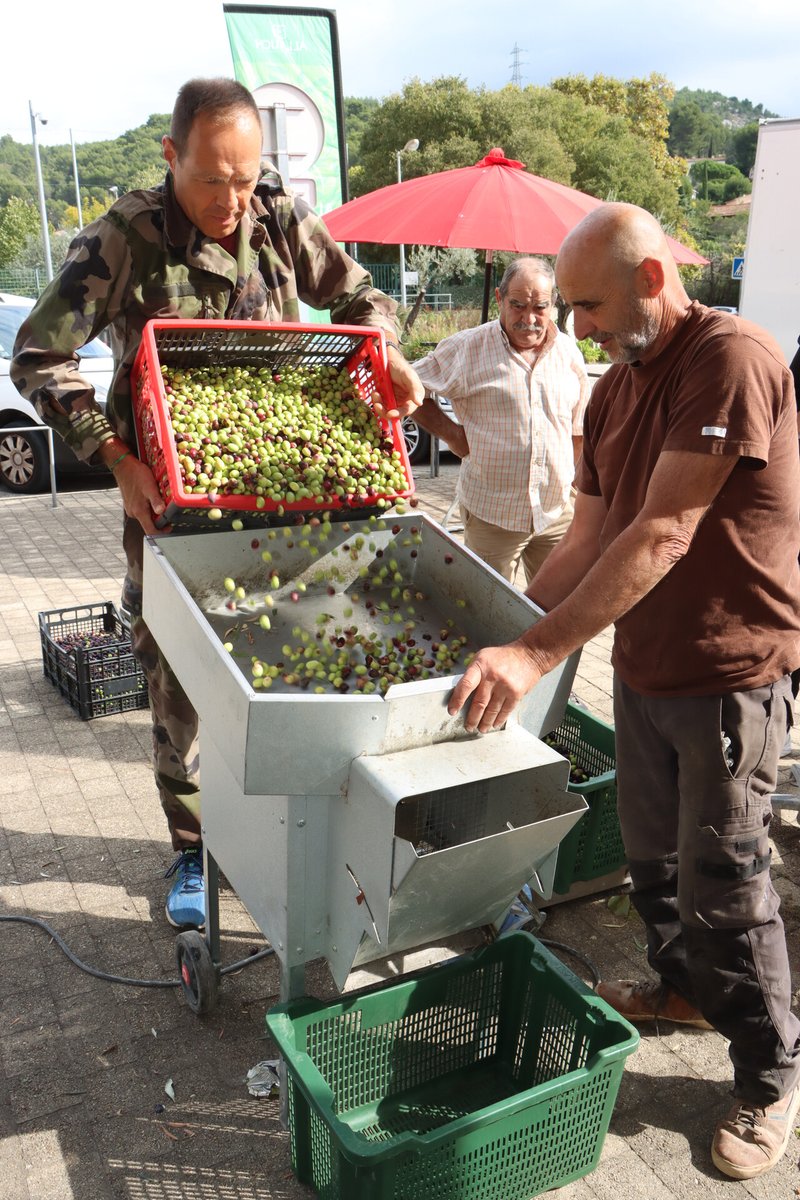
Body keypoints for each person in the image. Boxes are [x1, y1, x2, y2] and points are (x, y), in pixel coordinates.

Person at [439, 203, 800, 1180]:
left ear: (649, 279)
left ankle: (769, 1079)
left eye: (589, 306)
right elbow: (588, 538)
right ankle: (685, 991)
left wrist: (533, 657)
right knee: (651, 866)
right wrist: (497, 631)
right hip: (643, 669)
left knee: (725, 879)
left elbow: (661, 533)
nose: (577, 327)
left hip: (729, 677)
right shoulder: (610, 396)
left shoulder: (727, 359)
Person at [11, 77, 423, 931]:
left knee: (289, 663)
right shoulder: (126, 235)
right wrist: (115, 456)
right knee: (179, 684)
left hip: (283, 501)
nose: (234, 201)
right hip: (172, 509)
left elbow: (362, 297)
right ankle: (191, 848)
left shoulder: (274, 211)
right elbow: (39, 354)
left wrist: (384, 350)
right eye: (213, 181)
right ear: (171, 158)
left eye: (247, 178)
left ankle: (292, 825)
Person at [409, 257, 590, 585]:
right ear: (499, 299)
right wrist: (452, 435)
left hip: (558, 511)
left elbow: (579, 426)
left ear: (554, 304)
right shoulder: (468, 348)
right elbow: (407, 385)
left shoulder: (568, 352)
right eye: (517, 305)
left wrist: (575, 482)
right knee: (488, 608)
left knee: (560, 611)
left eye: (540, 307)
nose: (529, 319)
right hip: (493, 514)